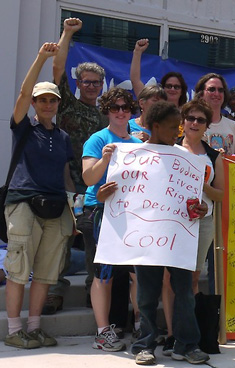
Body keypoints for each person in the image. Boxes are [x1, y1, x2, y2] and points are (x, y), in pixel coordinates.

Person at [104, 101, 208, 365]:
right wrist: (105, 192)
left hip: (178, 238)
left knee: (184, 291)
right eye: (174, 127)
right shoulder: (131, 155)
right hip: (145, 238)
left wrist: (201, 208)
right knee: (146, 294)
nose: (179, 131)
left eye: (180, 126)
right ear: (156, 126)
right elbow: (113, 192)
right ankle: (144, 344)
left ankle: (187, 344)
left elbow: (194, 200)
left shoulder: (187, 158)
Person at [3, 42, 73, 349]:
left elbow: (66, 174)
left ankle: (34, 328)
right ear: (34, 103)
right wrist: (41, 58)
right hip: (23, 202)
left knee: (46, 272)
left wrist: (73, 205)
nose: (47, 104)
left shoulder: (63, 137)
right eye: (42, 100)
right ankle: (14, 329)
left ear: (57, 104)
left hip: (57, 206)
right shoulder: (24, 128)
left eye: (52, 100)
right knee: (20, 270)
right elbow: (21, 94)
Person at [47, 17, 109, 314]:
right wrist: (67, 33)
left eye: (97, 83)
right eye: (87, 82)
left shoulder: (106, 118)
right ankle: (55, 291)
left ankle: (91, 291)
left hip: (94, 189)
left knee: (91, 244)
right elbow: (57, 67)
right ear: (78, 84)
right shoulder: (67, 104)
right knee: (61, 240)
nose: (92, 87)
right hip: (65, 184)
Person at [158, 99, 224, 356]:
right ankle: (173, 335)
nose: (195, 123)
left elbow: (221, 195)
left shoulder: (213, 156)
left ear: (207, 126)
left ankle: (189, 334)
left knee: (194, 277)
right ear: (182, 122)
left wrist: (203, 185)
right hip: (171, 221)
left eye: (201, 120)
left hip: (202, 221)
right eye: (191, 118)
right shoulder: (168, 149)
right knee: (168, 278)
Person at [82, 87, 142, 352]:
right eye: (115, 107)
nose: (120, 112)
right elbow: (88, 179)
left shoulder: (141, 144)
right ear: (106, 110)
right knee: (103, 275)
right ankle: (103, 332)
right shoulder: (97, 139)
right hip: (101, 213)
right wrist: (105, 159)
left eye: (125, 108)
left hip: (134, 215)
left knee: (138, 273)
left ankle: (141, 324)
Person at [195, 73, 235, 156]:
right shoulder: (193, 124)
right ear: (201, 94)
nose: (216, 94)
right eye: (212, 89)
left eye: (220, 90)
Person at [130, 38, 188, 108]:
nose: (172, 89)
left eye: (176, 87)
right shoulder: (153, 107)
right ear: (163, 88)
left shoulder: (187, 113)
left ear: (182, 91)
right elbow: (135, 81)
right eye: (169, 86)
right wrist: (137, 52)